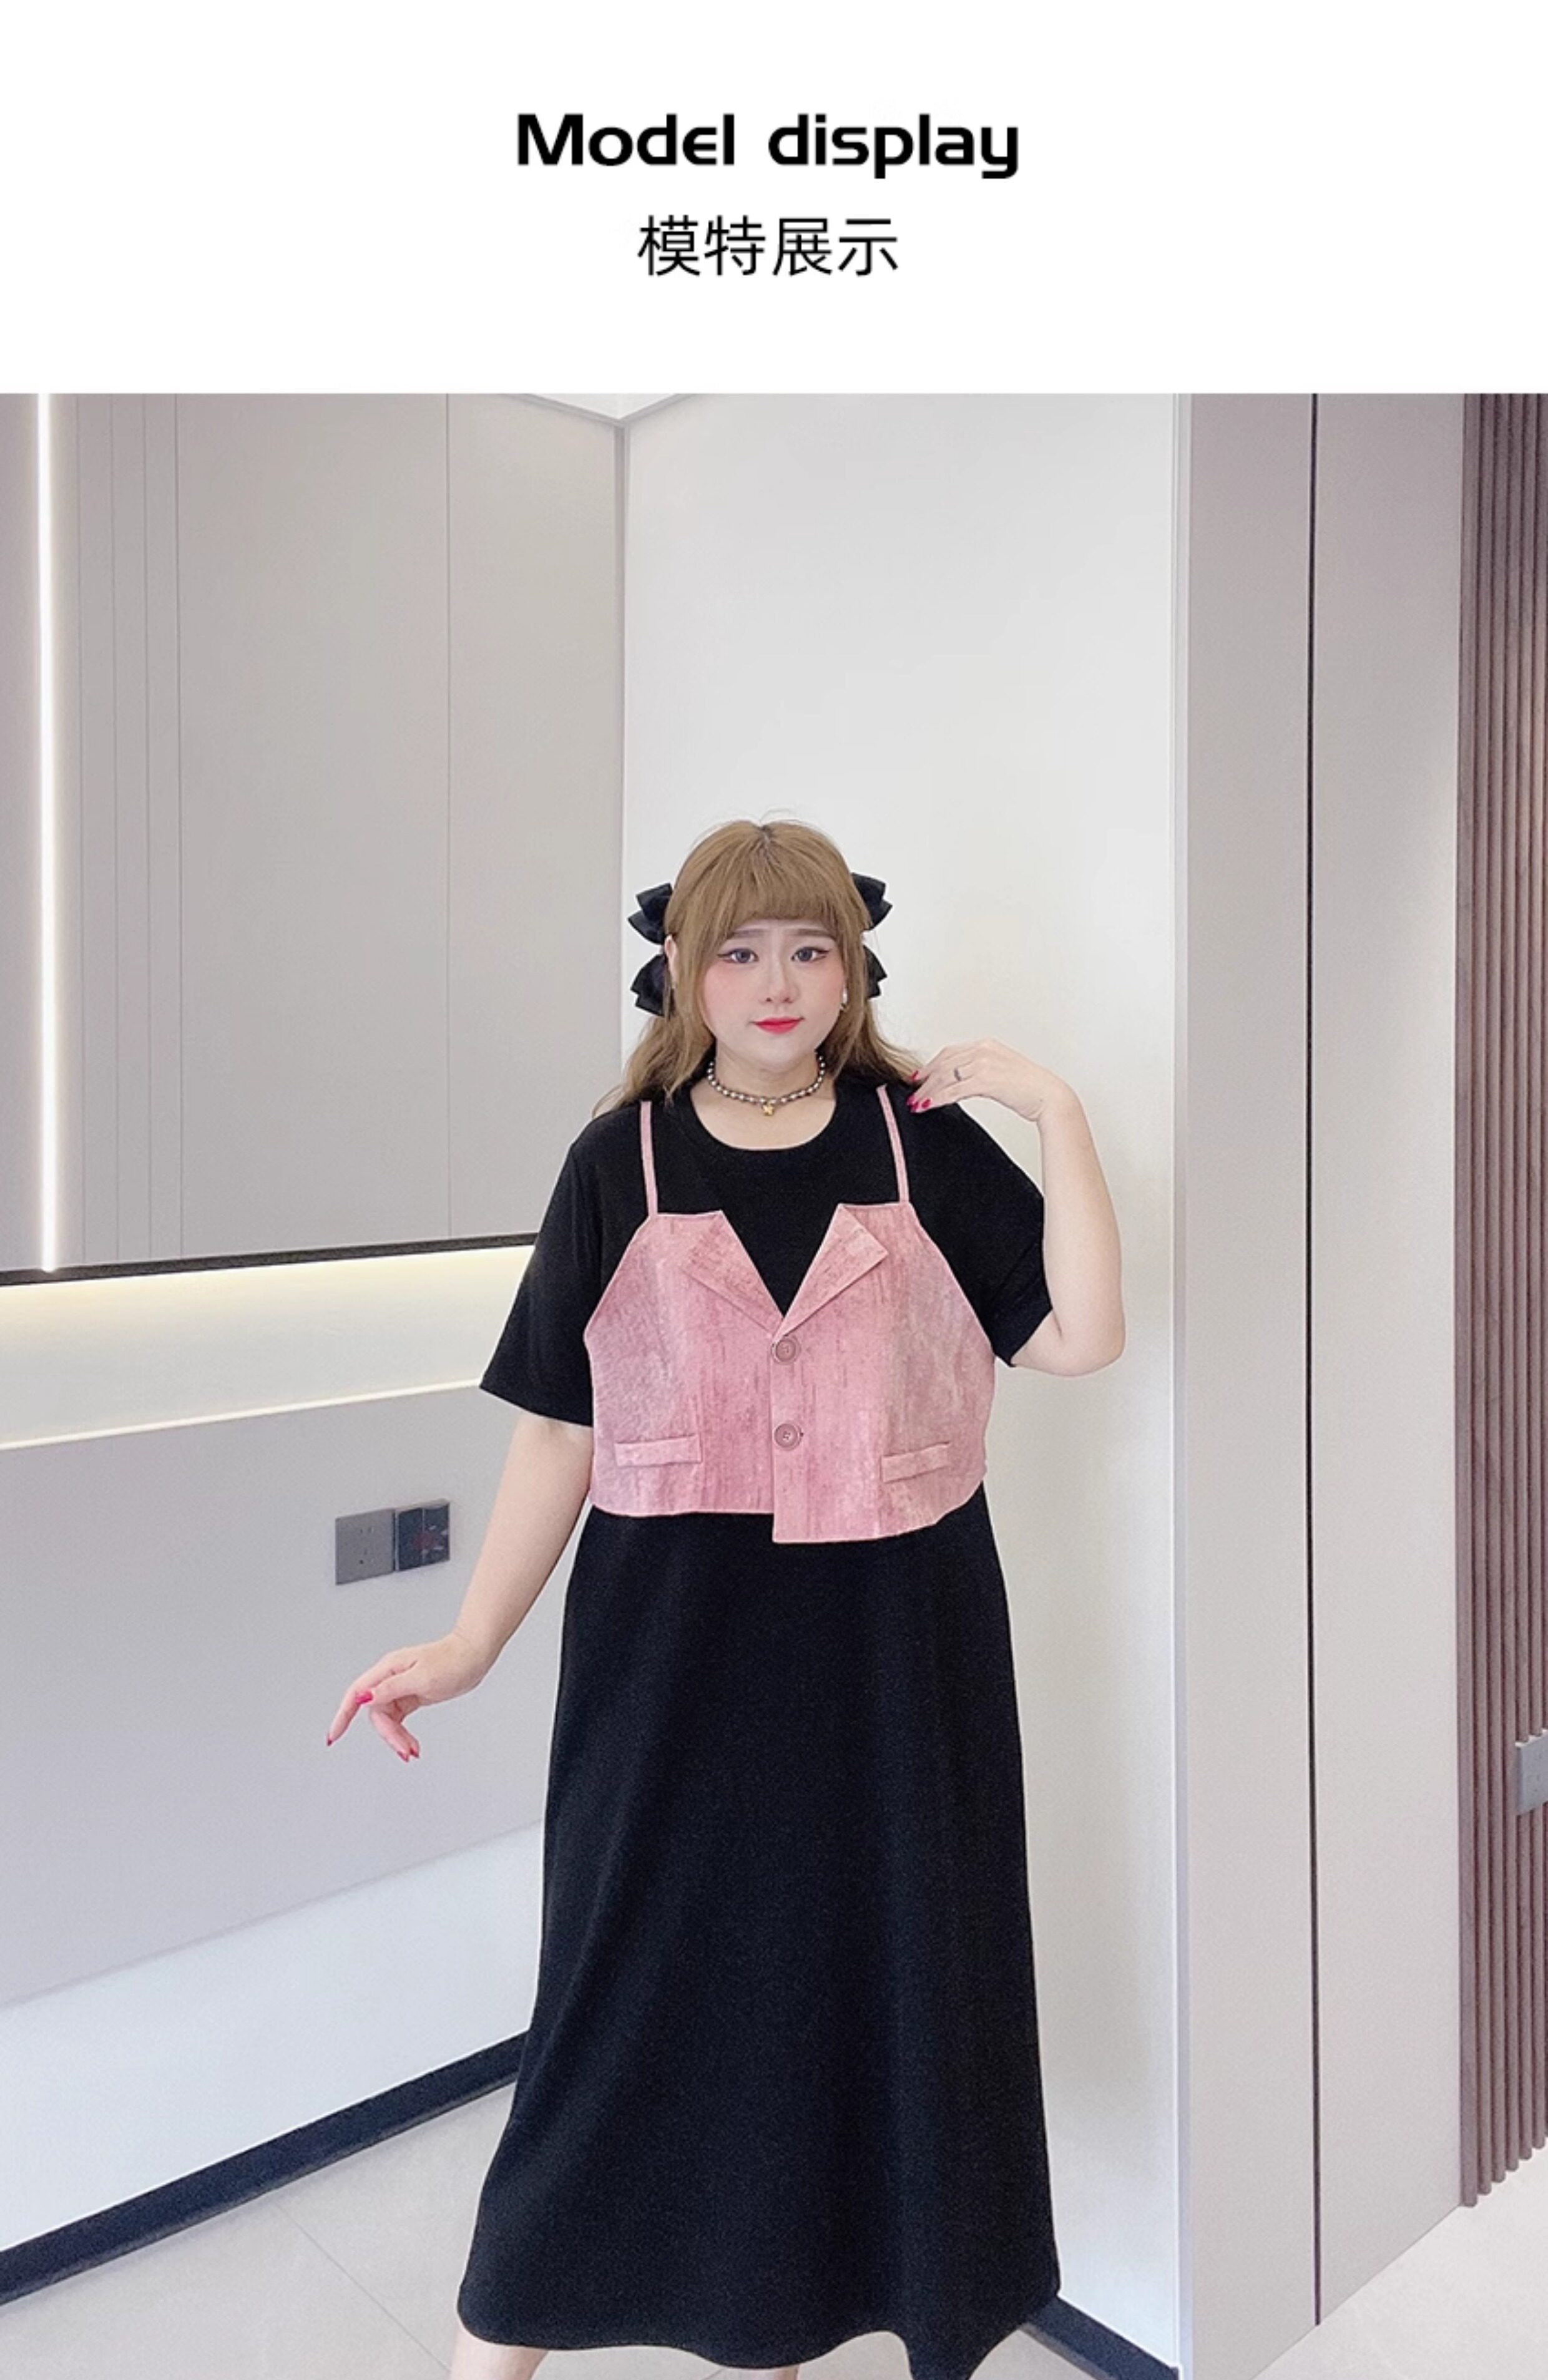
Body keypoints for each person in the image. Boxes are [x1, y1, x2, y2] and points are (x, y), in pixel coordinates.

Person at [325, 816, 1125, 2380]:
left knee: (856, 2009)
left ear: (853, 966)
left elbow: (1079, 1338)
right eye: (740, 950)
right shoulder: (616, 1160)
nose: (777, 981)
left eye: (810, 949)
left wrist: (1058, 1111)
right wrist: (473, 1640)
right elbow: (560, 1427)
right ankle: (504, 2342)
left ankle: (780, 2330)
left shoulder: (918, 1143)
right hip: (670, 1663)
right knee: (619, 2009)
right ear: (682, 969)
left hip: (898, 1660)